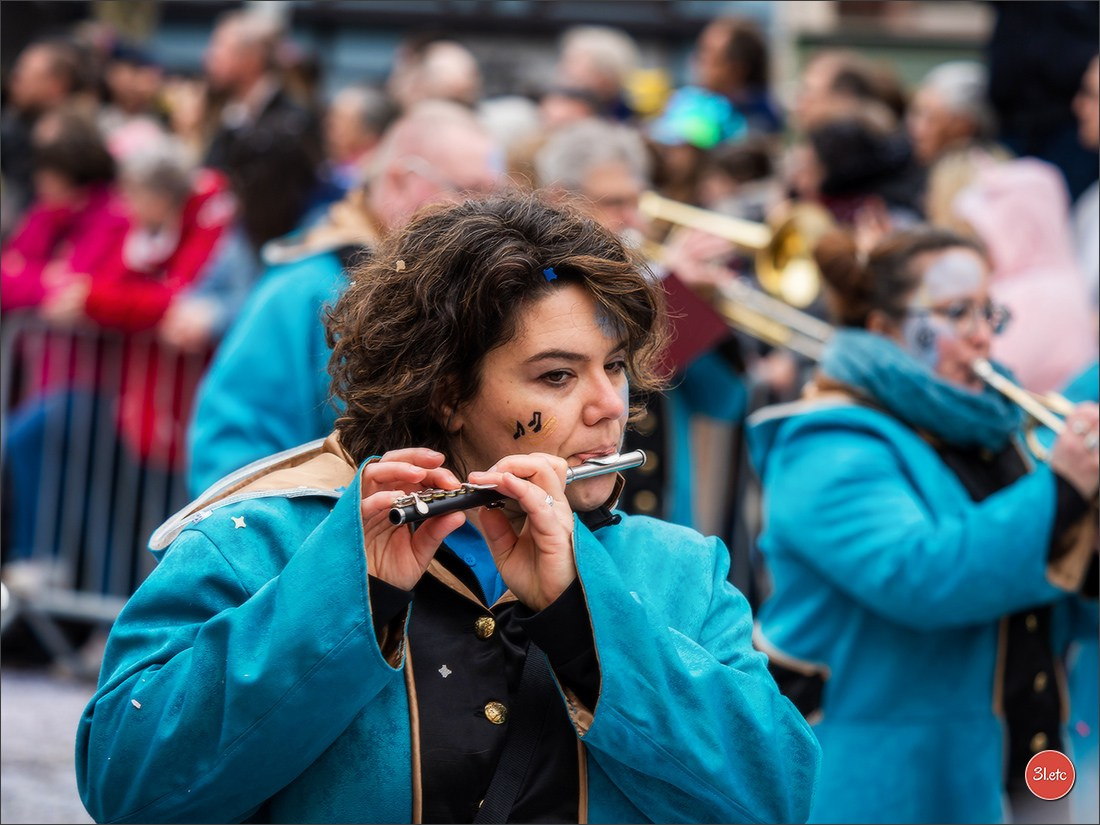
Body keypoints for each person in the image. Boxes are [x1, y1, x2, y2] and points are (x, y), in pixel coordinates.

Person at [76, 193, 820, 824]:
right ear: (445, 393)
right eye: (557, 376)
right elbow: (128, 782)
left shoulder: (679, 569)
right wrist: (348, 594)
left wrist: (584, 623)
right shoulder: (258, 540)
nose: (609, 407)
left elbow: (780, 792)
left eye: (617, 367)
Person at [746, 225, 1099, 823]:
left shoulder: (993, 426)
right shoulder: (826, 444)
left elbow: (1053, 593)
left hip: (1032, 753)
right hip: (890, 773)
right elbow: (921, 577)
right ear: (884, 328)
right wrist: (1060, 490)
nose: (983, 336)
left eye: (988, 311)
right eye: (957, 313)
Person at [186, 100, 502, 496]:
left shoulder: (459, 281)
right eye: (468, 192)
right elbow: (231, 450)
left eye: (494, 196)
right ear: (402, 180)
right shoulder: (306, 285)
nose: (485, 214)